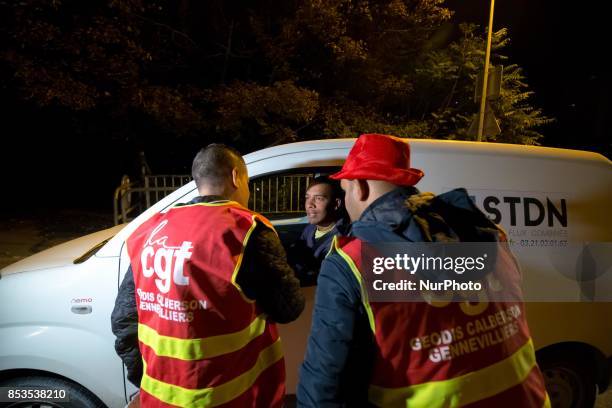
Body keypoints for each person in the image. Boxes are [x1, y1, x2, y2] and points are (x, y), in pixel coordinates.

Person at [297, 134, 549, 407]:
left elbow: (323, 382)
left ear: (359, 187)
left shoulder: (351, 262)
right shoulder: (485, 232)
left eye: (345, 191)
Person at [111, 144, 305, 407]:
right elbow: (289, 308)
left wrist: (146, 378)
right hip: (232, 397)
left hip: (160, 399)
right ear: (237, 177)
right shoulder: (246, 230)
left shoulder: (151, 229)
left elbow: (123, 320)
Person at [288, 176, 348, 285]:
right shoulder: (311, 228)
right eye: (307, 197)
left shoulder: (342, 241)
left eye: (318, 198)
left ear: (336, 204)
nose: (309, 204)